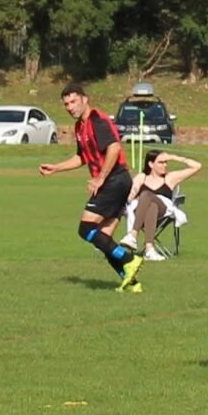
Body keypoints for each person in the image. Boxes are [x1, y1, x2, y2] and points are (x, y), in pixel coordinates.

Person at [39, 83, 144, 292]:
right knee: (103, 238)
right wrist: (56, 168)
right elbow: (81, 157)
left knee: (85, 228)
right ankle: (131, 282)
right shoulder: (80, 126)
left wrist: (100, 178)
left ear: (85, 99)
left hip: (115, 179)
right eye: (66, 104)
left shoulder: (97, 120)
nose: (70, 107)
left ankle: (129, 259)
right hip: (114, 181)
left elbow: (114, 148)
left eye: (73, 101)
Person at [121, 150, 202, 261]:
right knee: (152, 205)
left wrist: (174, 157)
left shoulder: (170, 178)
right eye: (161, 162)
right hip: (141, 216)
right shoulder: (142, 177)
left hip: (163, 214)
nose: (165, 165)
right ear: (151, 164)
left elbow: (197, 166)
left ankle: (133, 235)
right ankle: (149, 249)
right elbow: (130, 195)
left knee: (147, 195)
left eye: (166, 162)